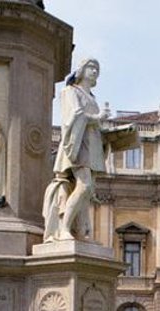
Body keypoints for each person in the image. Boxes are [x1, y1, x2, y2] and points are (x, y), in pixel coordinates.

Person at [43, 57, 110, 242]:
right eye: (91, 67)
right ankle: (64, 228)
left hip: (92, 146)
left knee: (87, 192)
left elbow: (90, 121)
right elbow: (73, 116)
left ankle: (80, 231)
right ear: (81, 70)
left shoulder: (91, 98)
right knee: (84, 186)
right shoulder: (70, 91)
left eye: (97, 68)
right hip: (78, 144)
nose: (95, 71)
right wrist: (97, 117)